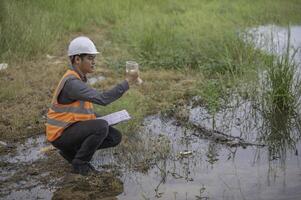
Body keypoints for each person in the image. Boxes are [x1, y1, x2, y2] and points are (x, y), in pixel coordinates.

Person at [45, 36, 138, 176]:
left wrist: (108, 119)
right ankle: (80, 163)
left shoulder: (78, 78)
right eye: (90, 58)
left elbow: (82, 111)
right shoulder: (72, 83)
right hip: (60, 135)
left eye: (94, 58)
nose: (94, 62)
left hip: (70, 128)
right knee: (100, 126)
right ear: (77, 59)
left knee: (114, 136)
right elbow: (102, 99)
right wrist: (127, 82)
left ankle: (71, 153)